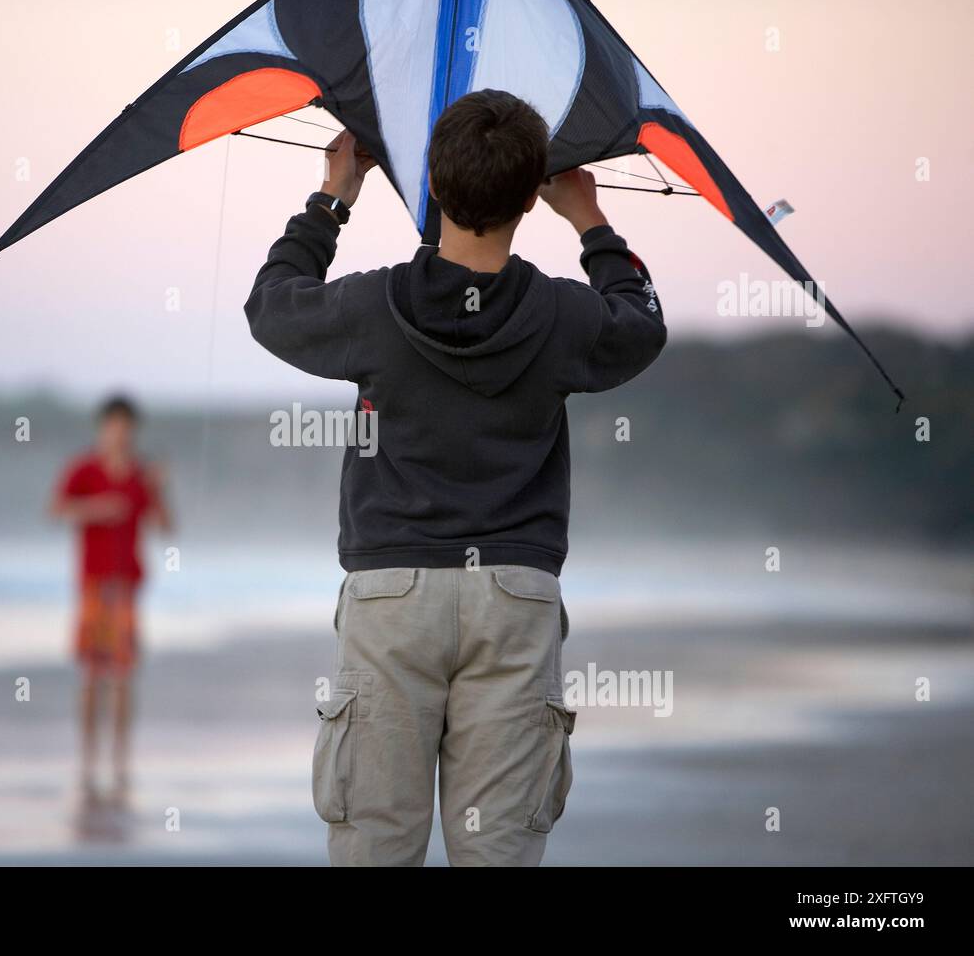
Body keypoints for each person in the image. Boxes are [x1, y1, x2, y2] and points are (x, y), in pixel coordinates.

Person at [243, 90, 666, 866]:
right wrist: (592, 221)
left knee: (376, 846)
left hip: (392, 593)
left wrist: (333, 195)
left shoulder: (373, 306)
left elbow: (271, 306)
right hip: (516, 593)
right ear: (530, 197)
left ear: (430, 185)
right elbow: (641, 324)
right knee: (498, 852)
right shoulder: (564, 316)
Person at [50, 395, 172, 803]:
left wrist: (160, 489)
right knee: (91, 674)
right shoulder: (84, 469)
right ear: (103, 429)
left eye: (126, 428)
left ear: (133, 431)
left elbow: (166, 527)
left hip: (127, 586)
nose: (120, 435)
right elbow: (56, 510)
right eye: (114, 427)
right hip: (92, 584)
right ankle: (87, 758)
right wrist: (97, 509)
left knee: (122, 676)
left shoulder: (141, 476)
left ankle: (120, 761)